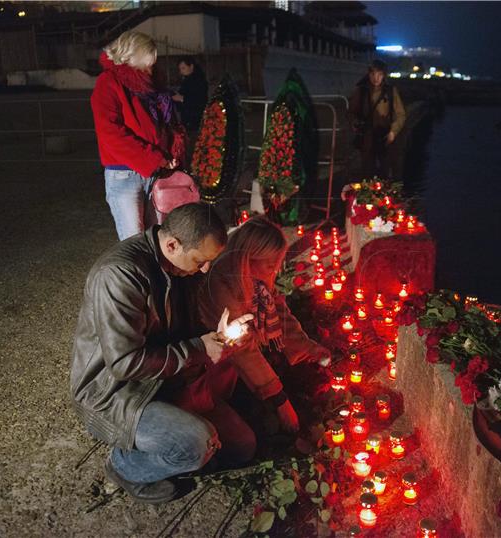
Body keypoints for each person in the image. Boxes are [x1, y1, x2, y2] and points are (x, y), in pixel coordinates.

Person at [69, 203, 254, 504]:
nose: (206, 269)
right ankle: (124, 466)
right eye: (201, 261)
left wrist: (220, 335)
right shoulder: (120, 275)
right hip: (117, 393)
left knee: (242, 446)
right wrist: (198, 348)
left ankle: (177, 441)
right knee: (197, 445)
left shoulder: (180, 267)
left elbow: (185, 332)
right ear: (172, 244)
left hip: (164, 379)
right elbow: (124, 363)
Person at [194, 216, 331, 436]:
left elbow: (277, 307)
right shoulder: (222, 284)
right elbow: (242, 349)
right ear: (248, 258)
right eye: (269, 265)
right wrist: (280, 401)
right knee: (248, 437)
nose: (274, 271)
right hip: (213, 366)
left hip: (239, 355)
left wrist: (306, 347)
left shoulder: (255, 279)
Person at [91, 30, 187, 241]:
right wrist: (154, 158)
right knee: (135, 241)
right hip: (125, 175)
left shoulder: (149, 85)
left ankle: (157, 274)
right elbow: (111, 133)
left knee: (158, 237)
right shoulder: (108, 83)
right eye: (147, 62)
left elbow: (163, 123)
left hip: (154, 172)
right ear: (131, 56)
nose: (151, 68)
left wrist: (170, 151)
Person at [348, 59, 406, 179]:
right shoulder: (361, 91)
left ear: (383, 75)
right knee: (367, 171)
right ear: (369, 74)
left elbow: (400, 114)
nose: (376, 78)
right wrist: (354, 123)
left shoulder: (390, 91)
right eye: (373, 74)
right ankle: (368, 196)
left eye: (379, 74)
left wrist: (393, 132)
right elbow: (351, 112)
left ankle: (384, 195)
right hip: (366, 137)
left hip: (385, 136)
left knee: (386, 170)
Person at [172, 56, 208, 153]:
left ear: (191, 66)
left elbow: (199, 100)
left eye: (183, 68)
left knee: (194, 146)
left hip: (195, 119)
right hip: (188, 119)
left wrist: (182, 99)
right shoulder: (188, 80)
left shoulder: (198, 80)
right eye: (180, 69)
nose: (181, 71)